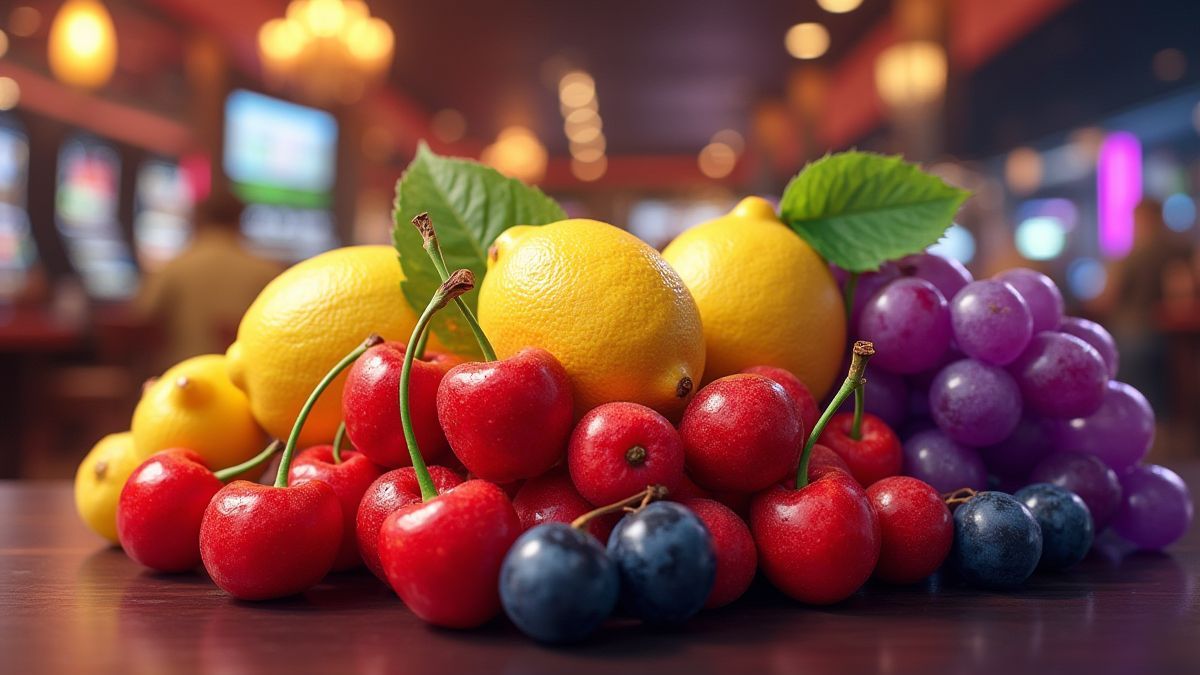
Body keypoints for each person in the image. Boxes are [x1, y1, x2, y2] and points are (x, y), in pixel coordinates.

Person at [133, 190, 281, 370]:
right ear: (240, 220)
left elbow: (141, 317)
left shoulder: (173, 268)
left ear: (197, 220)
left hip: (179, 377)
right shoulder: (267, 272)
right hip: (244, 381)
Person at [1095, 198, 1196, 411]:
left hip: (1133, 335)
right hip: (1170, 335)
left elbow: (1108, 298)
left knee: (1136, 400)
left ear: (1142, 219)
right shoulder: (1179, 249)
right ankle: (1167, 438)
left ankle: (1148, 438)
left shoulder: (1132, 255)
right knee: (1167, 399)